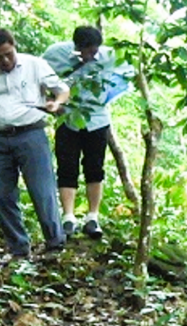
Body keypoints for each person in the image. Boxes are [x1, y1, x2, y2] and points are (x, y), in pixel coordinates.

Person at [43, 25, 131, 239]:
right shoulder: (55, 54)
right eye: (85, 50)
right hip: (67, 119)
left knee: (94, 167)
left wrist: (107, 97)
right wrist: (52, 102)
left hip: (97, 119)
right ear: (76, 46)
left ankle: (92, 217)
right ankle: (69, 218)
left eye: (93, 51)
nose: (89, 55)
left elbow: (128, 76)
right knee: (67, 167)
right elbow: (40, 77)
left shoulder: (111, 57)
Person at [0, 29, 68, 257]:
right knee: (2, 195)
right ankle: (18, 248)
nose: (5, 61)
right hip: (0, 138)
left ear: (13, 45)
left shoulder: (34, 65)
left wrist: (56, 103)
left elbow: (62, 89)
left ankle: (55, 242)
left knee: (42, 189)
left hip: (31, 134)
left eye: (8, 54)